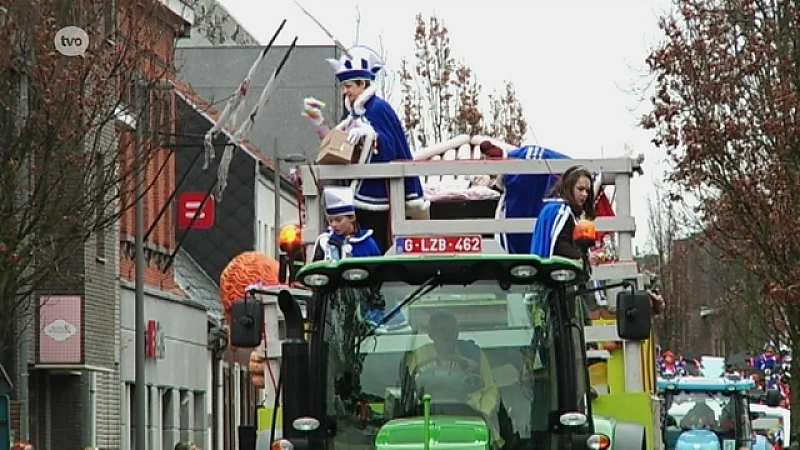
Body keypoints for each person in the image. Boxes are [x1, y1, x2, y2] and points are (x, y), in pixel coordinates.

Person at [302, 46, 428, 254]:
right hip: (356, 194)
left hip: (377, 196)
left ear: (363, 84)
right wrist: (318, 122)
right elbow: (335, 147)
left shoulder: (379, 109)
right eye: (344, 87)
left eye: (349, 86)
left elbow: (392, 146)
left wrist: (371, 134)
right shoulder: (353, 115)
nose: (346, 91)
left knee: (376, 242)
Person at [312, 186, 411, 331]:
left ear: (352, 218)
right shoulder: (324, 242)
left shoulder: (368, 243)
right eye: (330, 221)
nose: (334, 225)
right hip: (334, 308)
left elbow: (378, 277)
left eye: (338, 220)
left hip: (365, 304)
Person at [405, 310, 502, 446]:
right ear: (431, 334)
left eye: (451, 330)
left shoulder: (475, 355)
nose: (447, 335)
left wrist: (482, 415)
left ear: (457, 332)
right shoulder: (418, 356)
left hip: (471, 421)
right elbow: (410, 391)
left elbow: (490, 390)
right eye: (441, 330)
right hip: (428, 419)